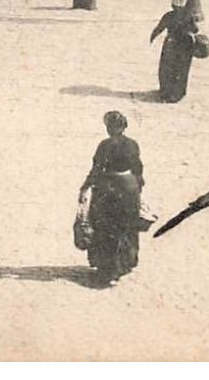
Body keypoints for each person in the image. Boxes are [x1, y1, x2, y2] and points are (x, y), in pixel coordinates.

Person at [79, 111, 144, 286]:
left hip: (108, 188)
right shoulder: (132, 144)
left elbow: (97, 168)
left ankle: (108, 269)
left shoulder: (105, 145)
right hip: (129, 188)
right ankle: (125, 263)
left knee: (105, 226)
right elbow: (138, 168)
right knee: (126, 225)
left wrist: (85, 186)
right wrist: (138, 189)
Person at [151, 0, 201, 102]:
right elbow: (196, 30)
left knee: (167, 68)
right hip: (185, 45)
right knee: (181, 69)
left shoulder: (169, 15)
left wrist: (152, 37)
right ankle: (177, 93)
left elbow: (159, 28)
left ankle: (165, 91)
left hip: (171, 44)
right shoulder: (189, 16)